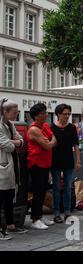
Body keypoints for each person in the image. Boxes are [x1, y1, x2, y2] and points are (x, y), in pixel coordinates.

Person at [0, 99, 28, 240]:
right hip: (3, 164)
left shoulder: (10, 124)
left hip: (11, 165)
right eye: (14, 112)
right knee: (2, 197)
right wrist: (13, 142)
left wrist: (13, 141)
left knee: (10, 196)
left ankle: (10, 225)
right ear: (5, 111)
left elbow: (21, 140)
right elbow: (8, 146)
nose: (17, 114)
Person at [27, 103, 57, 230]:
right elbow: (48, 145)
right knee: (38, 192)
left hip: (45, 163)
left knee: (43, 191)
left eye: (45, 112)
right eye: (43, 114)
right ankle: (35, 219)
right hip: (36, 164)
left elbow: (54, 139)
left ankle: (40, 215)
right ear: (36, 116)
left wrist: (51, 141)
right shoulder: (34, 129)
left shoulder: (44, 126)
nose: (46, 115)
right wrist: (51, 141)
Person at [50, 104, 81, 223]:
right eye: (64, 114)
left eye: (68, 114)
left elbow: (76, 145)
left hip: (68, 160)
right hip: (55, 160)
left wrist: (78, 160)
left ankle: (67, 211)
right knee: (56, 187)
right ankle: (56, 212)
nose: (67, 116)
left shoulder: (72, 128)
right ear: (58, 114)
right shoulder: (51, 127)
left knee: (68, 187)